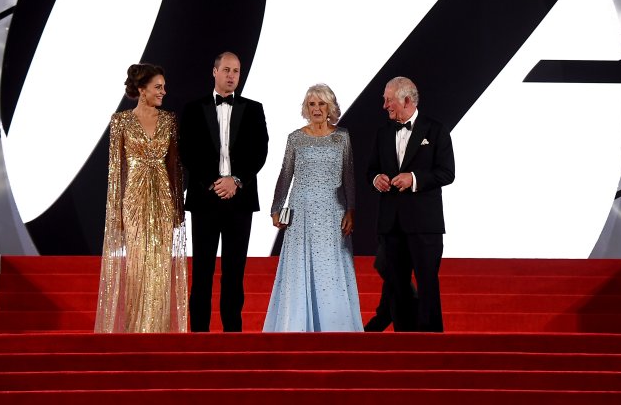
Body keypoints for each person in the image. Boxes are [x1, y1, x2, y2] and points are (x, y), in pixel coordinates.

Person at [179, 51, 269, 332]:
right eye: (227, 70)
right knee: (202, 271)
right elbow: (187, 151)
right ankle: (199, 336)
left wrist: (236, 180)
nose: (232, 76)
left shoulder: (254, 108)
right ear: (214, 72)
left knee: (234, 272)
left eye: (237, 71)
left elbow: (260, 151)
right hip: (205, 200)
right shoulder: (194, 108)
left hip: (239, 201)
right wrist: (214, 181)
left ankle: (233, 334)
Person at [262, 84, 363, 332]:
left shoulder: (342, 137)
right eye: (312, 104)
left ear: (330, 107)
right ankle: (296, 325)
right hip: (301, 213)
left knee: (330, 269)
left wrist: (351, 209)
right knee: (299, 268)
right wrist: (276, 207)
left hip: (332, 212)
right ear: (306, 108)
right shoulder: (295, 138)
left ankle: (335, 327)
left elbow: (348, 176)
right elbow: (286, 175)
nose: (316, 109)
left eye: (321, 104)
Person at [95, 63, 187, 333]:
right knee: (137, 266)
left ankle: (159, 332)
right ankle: (136, 332)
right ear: (141, 89)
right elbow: (116, 171)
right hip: (133, 200)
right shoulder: (120, 121)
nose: (163, 92)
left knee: (160, 267)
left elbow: (174, 167)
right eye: (158, 87)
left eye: (164, 87)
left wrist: (177, 208)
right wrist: (116, 214)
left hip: (162, 198)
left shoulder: (169, 120)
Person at [367, 76, 455, 332]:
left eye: (388, 100)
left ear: (406, 100)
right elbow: (370, 169)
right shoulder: (383, 133)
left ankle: (432, 344)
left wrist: (414, 178)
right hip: (391, 223)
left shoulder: (436, 130)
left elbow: (446, 173)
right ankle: (403, 341)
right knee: (396, 285)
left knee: (427, 283)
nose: (384, 105)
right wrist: (376, 179)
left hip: (425, 224)